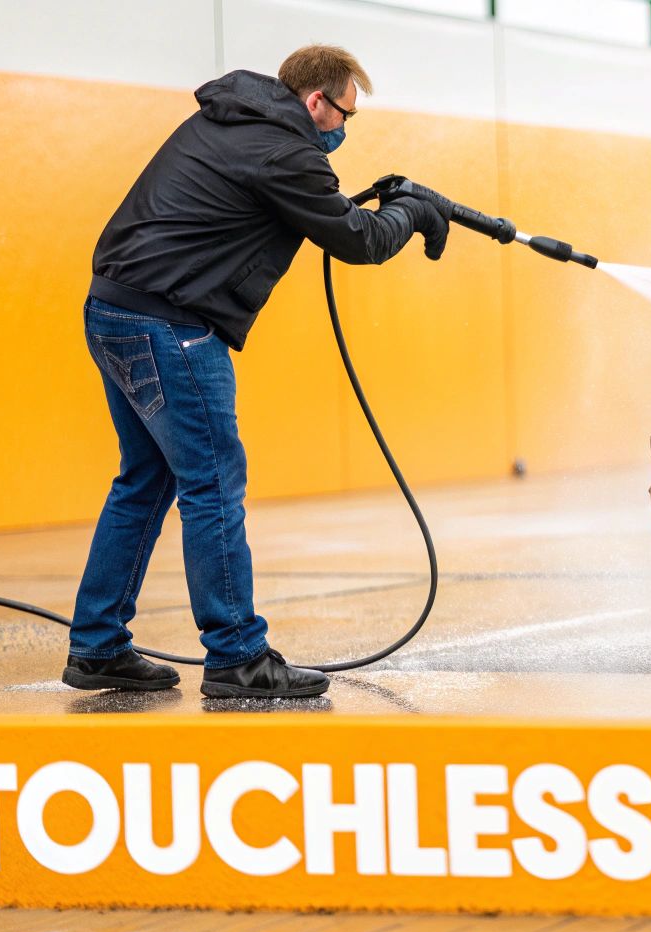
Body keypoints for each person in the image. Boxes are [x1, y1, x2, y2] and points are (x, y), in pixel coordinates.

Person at [61, 45, 449, 699]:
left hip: (115, 309)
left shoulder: (232, 121)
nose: (343, 133)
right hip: (171, 326)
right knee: (211, 484)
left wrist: (393, 208)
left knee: (146, 480)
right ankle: (237, 655)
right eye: (343, 116)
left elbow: (331, 214)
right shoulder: (284, 148)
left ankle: (99, 646)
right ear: (315, 102)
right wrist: (413, 211)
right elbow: (358, 240)